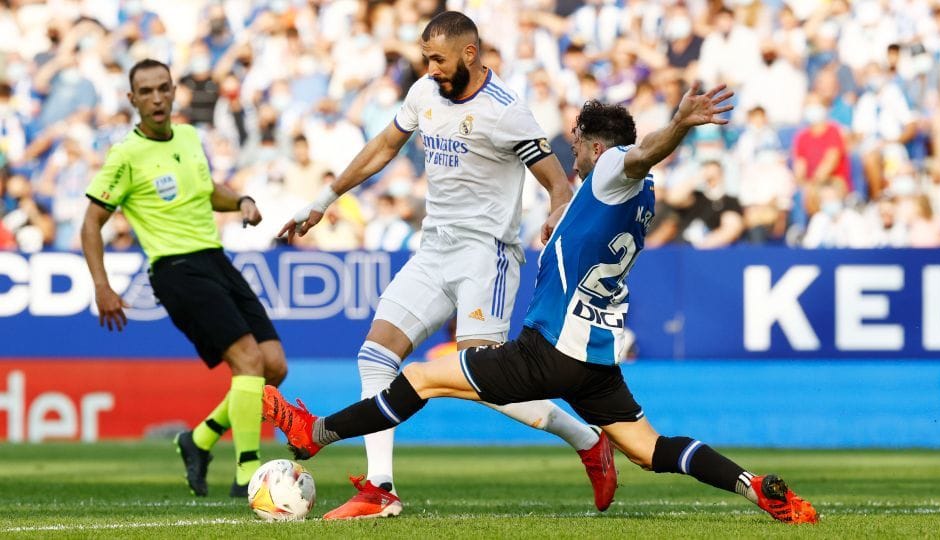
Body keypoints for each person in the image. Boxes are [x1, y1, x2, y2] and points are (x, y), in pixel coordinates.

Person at [263, 86, 820, 525]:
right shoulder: (639, 199)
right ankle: (757, 489)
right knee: (651, 450)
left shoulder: (612, 170)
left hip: (551, 348)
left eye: (575, 143)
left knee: (420, 378)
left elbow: (643, 152)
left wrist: (676, 125)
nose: (569, 153)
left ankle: (316, 435)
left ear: (597, 146)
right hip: (595, 361)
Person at [276, 11, 613, 520]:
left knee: (486, 379)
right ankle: (379, 489)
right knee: (375, 356)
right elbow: (386, 146)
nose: (430, 68)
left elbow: (557, 183)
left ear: (469, 55)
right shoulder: (423, 94)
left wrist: (557, 211)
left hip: (487, 257)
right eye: (426, 58)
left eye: (438, 59)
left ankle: (587, 439)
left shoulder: (506, 111)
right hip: (434, 249)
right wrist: (324, 198)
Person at [79, 59, 287, 498]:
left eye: (163, 89)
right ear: (132, 100)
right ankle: (248, 474)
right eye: (146, 92)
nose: (156, 98)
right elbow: (91, 223)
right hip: (175, 268)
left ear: (174, 92)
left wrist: (242, 202)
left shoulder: (190, 136)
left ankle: (199, 439)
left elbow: (208, 190)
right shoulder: (125, 156)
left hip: (215, 258)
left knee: (273, 368)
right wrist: (101, 285)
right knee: (248, 362)